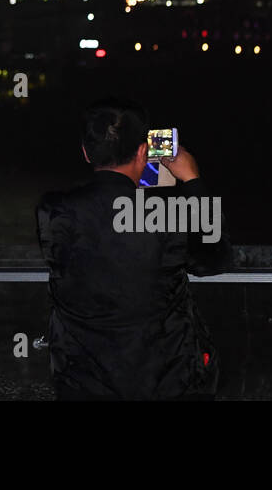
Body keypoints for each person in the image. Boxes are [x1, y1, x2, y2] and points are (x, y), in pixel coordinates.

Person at [36, 99, 229, 400]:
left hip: (82, 381)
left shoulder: (54, 209)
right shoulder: (166, 213)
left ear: (86, 152)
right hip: (164, 381)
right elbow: (215, 258)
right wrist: (191, 180)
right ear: (143, 151)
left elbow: (104, 230)